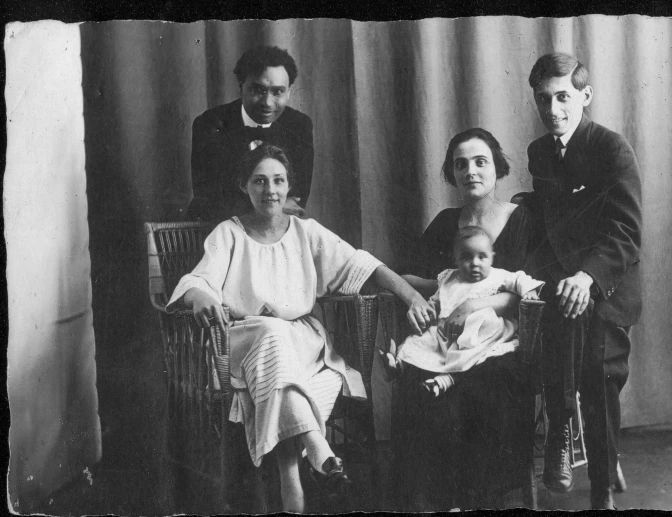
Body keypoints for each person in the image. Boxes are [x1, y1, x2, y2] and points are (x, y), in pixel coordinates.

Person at [167, 144, 434, 513]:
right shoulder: (228, 233)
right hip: (244, 342)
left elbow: (365, 265)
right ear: (244, 185)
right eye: (259, 181)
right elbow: (198, 280)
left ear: (289, 185)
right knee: (271, 332)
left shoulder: (306, 232)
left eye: (278, 180)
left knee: (297, 375)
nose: (270, 190)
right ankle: (316, 446)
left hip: (300, 343)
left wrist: (412, 299)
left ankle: (289, 475)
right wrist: (199, 295)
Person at [391, 128, 542, 510]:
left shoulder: (520, 219)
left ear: (497, 168)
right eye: (460, 164)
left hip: (501, 341)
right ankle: (440, 498)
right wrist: (419, 297)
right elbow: (410, 276)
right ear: (451, 173)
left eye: (480, 162)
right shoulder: (446, 223)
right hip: (447, 342)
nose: (470, 171)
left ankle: (480, 495)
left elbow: (530, 292)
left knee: (486, 383)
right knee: (416, 378)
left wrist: (474, 305)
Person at [518, 52, 642, 509]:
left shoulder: (611, 148)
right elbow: (555, 222)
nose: (553, 110)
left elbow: (626, 232)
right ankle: (561, 436)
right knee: (558, 322)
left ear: (585, 96)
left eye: (564, 97)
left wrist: (586, 277)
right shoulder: (539, 153)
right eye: (543, 99)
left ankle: (601, 489)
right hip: (564, 283)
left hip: (609, 282)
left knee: (598, 372)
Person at [382, 226, 543, 396]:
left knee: (475, 354)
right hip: (447, 336)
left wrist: (529, 291)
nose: (475, 263)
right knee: (419, 340)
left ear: (491, 256)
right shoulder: (449, 278)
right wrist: (429, 305)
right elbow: (437, 296)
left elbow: (520, 279)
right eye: (466, 257)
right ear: (456, 260)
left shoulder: (498, 276)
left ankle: (445, 380)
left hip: (481, 336)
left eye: (482, 256)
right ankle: (399, 363)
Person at [185, 45, 314, 222]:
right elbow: (208, 197)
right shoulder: (210, 123)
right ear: (241, 86)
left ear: (289, 91)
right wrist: (272, 205)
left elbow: (298, 196)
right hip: (220, 227)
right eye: (258, 90)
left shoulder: (300, 125)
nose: (267, 103)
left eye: (278, 92)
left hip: (276, 228)